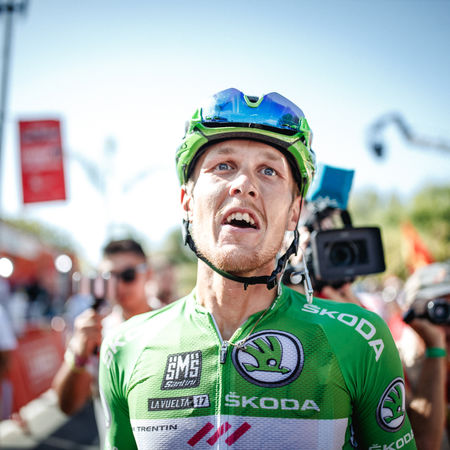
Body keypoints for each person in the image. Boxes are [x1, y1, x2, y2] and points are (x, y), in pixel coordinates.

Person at [99, 88, 416, 448]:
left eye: (268, 170)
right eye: (223, 166)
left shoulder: (361, 340)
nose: (244, 185)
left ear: (294, 212)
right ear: (186, 201)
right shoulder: (125, 347)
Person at [52, 238, 152, 448]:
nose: (119, 285)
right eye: (109, 278)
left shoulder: (173, 324)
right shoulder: (96, 331)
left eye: (128, 275)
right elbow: (67, 406)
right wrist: (79, 355)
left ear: (148, 274)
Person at [396, 261, 449, 449]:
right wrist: (435, 348)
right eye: (441, 310)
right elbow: (424, 444)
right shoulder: (393, 364)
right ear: (412, 314)